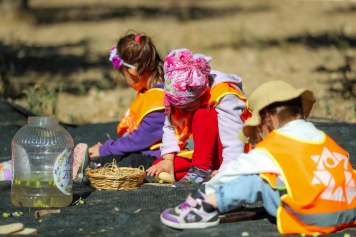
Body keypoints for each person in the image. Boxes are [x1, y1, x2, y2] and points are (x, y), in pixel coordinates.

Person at [159, 80, 356, 235]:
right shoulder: (326, 141)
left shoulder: (275, 145)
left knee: (257, 180)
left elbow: (236, 172)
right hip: (349, 211)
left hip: (312, 217)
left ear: (266, 120)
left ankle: (203, 208)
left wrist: (208, 192)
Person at [146, 48, 251, 186]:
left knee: (203, 114)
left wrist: (228, 171)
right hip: (210, 156)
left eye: (188, 106)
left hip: (235, 155)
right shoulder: (177, 96)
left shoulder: (223, 94)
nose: (182, 111)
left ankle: (201, 169)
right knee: (161, 165)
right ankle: (203, 172)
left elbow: (233, 137)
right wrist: (168, 159)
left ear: (201, 94)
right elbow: (170, 126)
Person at [72, 32, 166, 183]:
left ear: (133, 72)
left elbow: (139, 140)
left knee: (127, 163)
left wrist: (105, 149)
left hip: (156, 156)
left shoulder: (159, 101)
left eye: (124, 76)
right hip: (143, 151)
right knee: (117, 155)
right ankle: (86, 166)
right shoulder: (149, 91)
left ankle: (92, 171)